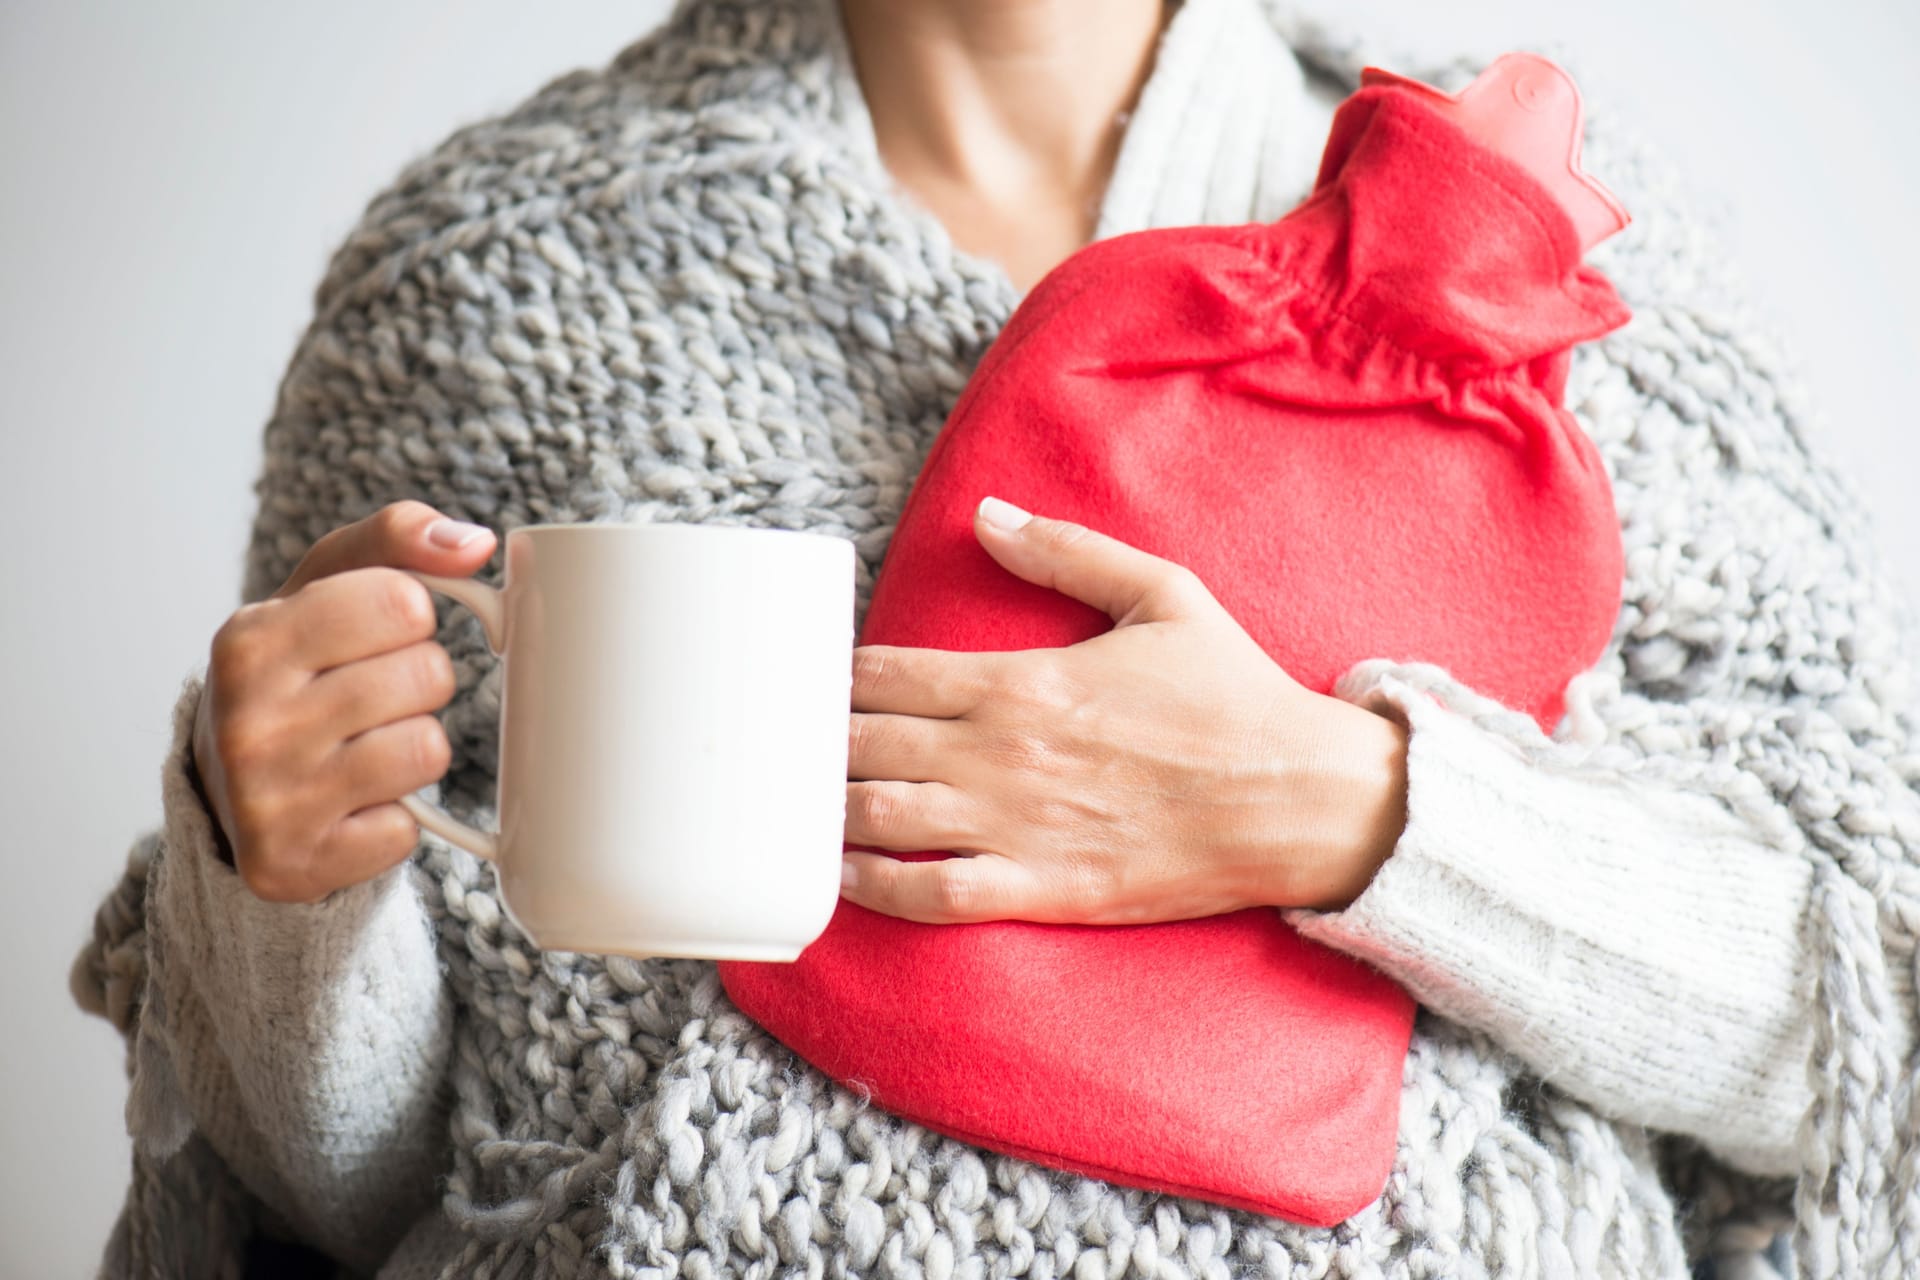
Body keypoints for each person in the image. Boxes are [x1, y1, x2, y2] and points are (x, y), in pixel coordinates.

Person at [67, 0, 1920, 1277]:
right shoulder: (481, 284)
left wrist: (1348, 812)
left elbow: (1862, 1017)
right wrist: (286, 892)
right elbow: (364, 1186)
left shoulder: (1557, 256)